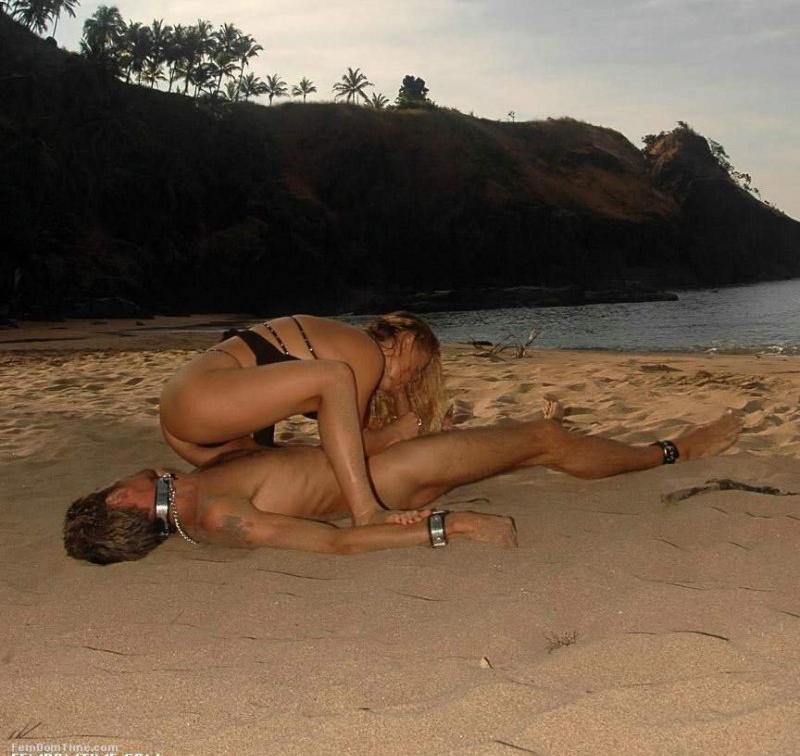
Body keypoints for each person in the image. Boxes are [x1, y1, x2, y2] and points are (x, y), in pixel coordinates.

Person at [63, 405, 742, 564]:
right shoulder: (215, 517)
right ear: (120, 500)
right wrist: (451, 527)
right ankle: (675, 451)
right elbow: (335, 544)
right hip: (400, 478)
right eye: (112, 484)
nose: (121, 477)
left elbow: (297, 459)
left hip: (390, 465)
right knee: (544, 440)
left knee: (519, 449)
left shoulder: (194, 491)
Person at [158, 311, 447, 529]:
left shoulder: (346, 349)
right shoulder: (365, 351)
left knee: (302, 463)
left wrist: (399, 403)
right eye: (416, 369)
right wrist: (397, 431)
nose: (413, 378)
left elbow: (357, 448)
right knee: (334, 376)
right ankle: (366, 513)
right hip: (198, 399)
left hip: (195, 427)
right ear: (406, 340)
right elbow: (361, 447)